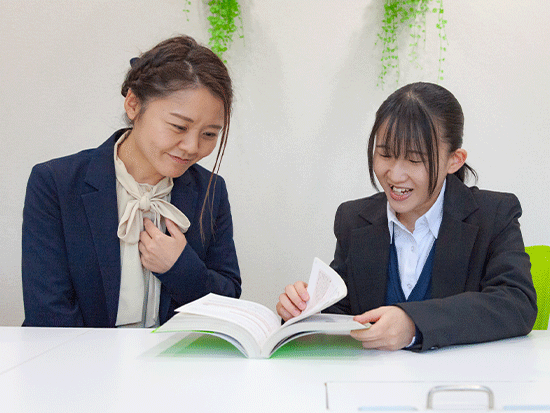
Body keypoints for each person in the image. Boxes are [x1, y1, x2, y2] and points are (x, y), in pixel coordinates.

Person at [276, 82, 537, 351]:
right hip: (371, 387)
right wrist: (304, 310)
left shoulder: (494, 215)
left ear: (454, 160)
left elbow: (516, 303)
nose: (395, 175)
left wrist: (414, 324)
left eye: (414, 160)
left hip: (455, 387)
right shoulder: (353, 219)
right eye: (385, 154)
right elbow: (345, 307)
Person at [22, 35, 241, 328]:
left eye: (209, 134)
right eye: (179, 126)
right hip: (77, 365)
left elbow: (229, 302)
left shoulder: (210, 190)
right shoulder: (55, 183)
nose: (191, 146)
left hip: (173, 367)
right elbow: (49, 313)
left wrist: (179, 268)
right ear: (134, 104)